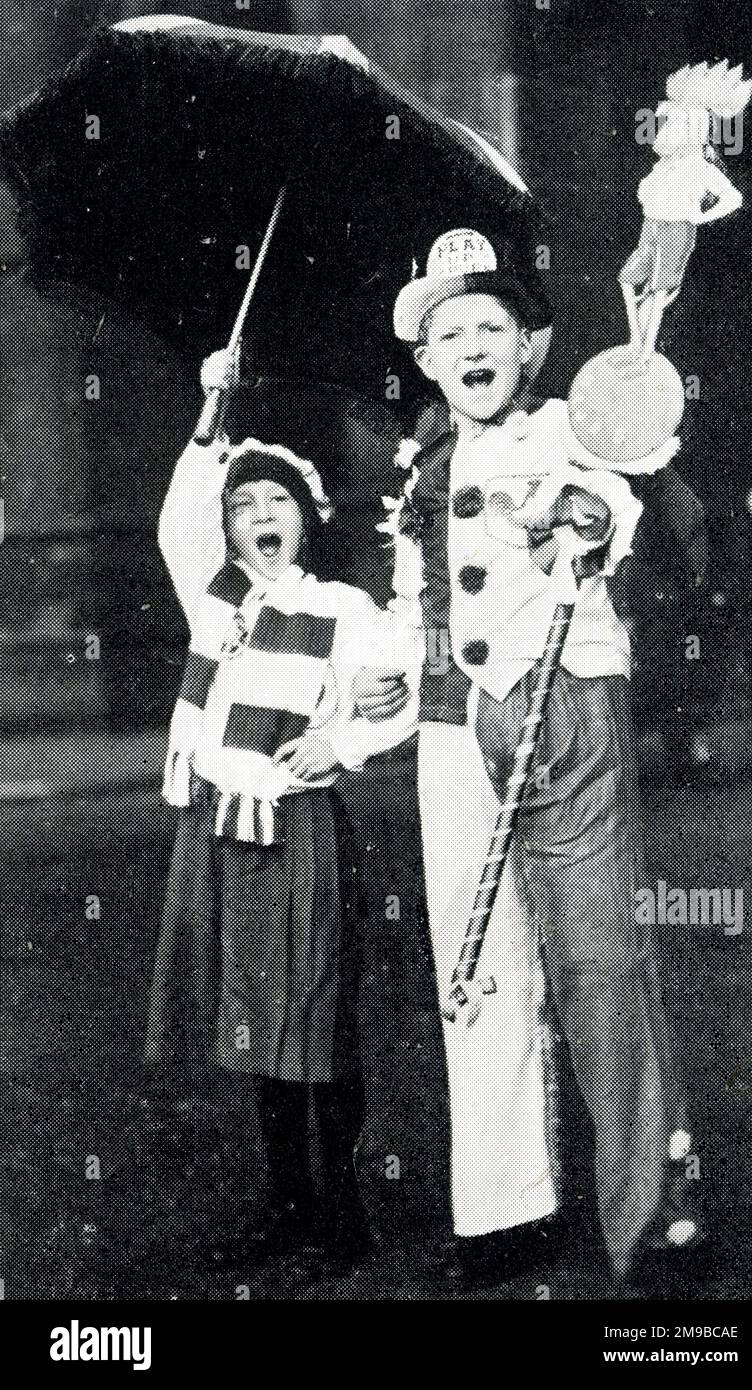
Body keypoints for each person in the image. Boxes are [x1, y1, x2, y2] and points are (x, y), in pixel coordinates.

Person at [354, 227, 702, 1286]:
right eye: (449, 329)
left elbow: (621, 492)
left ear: (525, 348)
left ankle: (654, 1209)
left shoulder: (567, 430)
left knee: (598, 961)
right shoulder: (419, 461)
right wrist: (382, 679)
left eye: (492, 327)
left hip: (562, 706)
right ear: (424, 359)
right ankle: (506, 1207)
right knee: (480, 969)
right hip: (452, 723)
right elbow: (411, 603)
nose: (472, 344)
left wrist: (582, 517)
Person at [144, 347, 418, 1275]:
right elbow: (179, 516)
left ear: (308, 518)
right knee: (256, 1023)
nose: (259, 518)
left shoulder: (343, 607)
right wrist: (209, 405)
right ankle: (286, 1205)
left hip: (302, 832)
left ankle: (341, 1220)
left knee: (315, 1021)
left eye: (277, 504)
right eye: (243, 507)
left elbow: (401, 692)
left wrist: (338, 744)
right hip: (226, 829)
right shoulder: (213, 605)